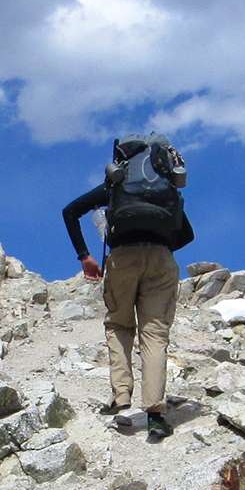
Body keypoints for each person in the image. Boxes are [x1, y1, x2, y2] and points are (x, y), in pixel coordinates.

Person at [62, 144, 194, 439]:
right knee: (155, 333)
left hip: (122, 258)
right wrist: (158, 247)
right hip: (161, 260)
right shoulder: (166, 192)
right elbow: (187, 234)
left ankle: (121, 399)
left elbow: (70, 211)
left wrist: (85, 256)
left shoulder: (117, 189)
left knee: (120, 325)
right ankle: (156, 415)